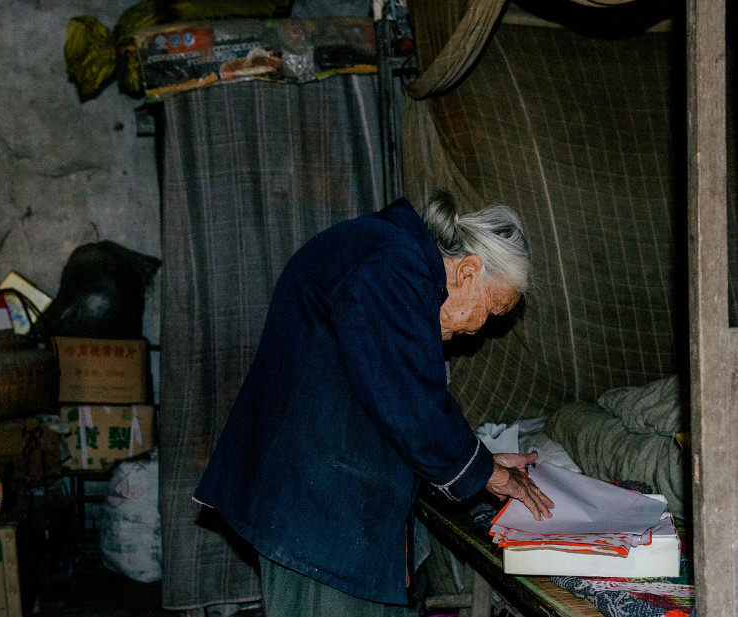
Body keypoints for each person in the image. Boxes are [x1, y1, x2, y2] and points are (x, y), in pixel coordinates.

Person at [193, 192, 553, 616]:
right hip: (316, 517)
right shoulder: (392, 265)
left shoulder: (390, 254)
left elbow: (389, 394)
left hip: (325, 507)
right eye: (491, 312)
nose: (478, 331)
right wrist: (486, 472)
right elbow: (411, 404)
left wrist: (480, 460)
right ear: (469, 271)